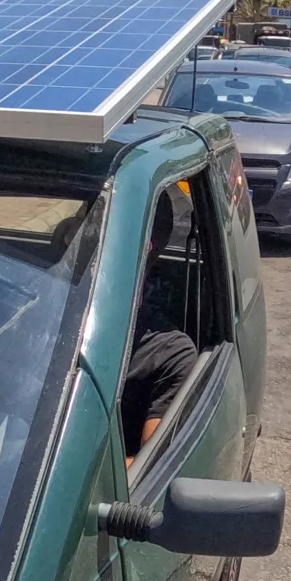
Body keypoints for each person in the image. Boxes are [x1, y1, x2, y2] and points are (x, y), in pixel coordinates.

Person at [120, 190, 199, 465]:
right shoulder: (43, 317)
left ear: (143, 247)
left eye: (89, 225)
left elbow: (147, 465)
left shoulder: (169, 353)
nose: (66, 235)